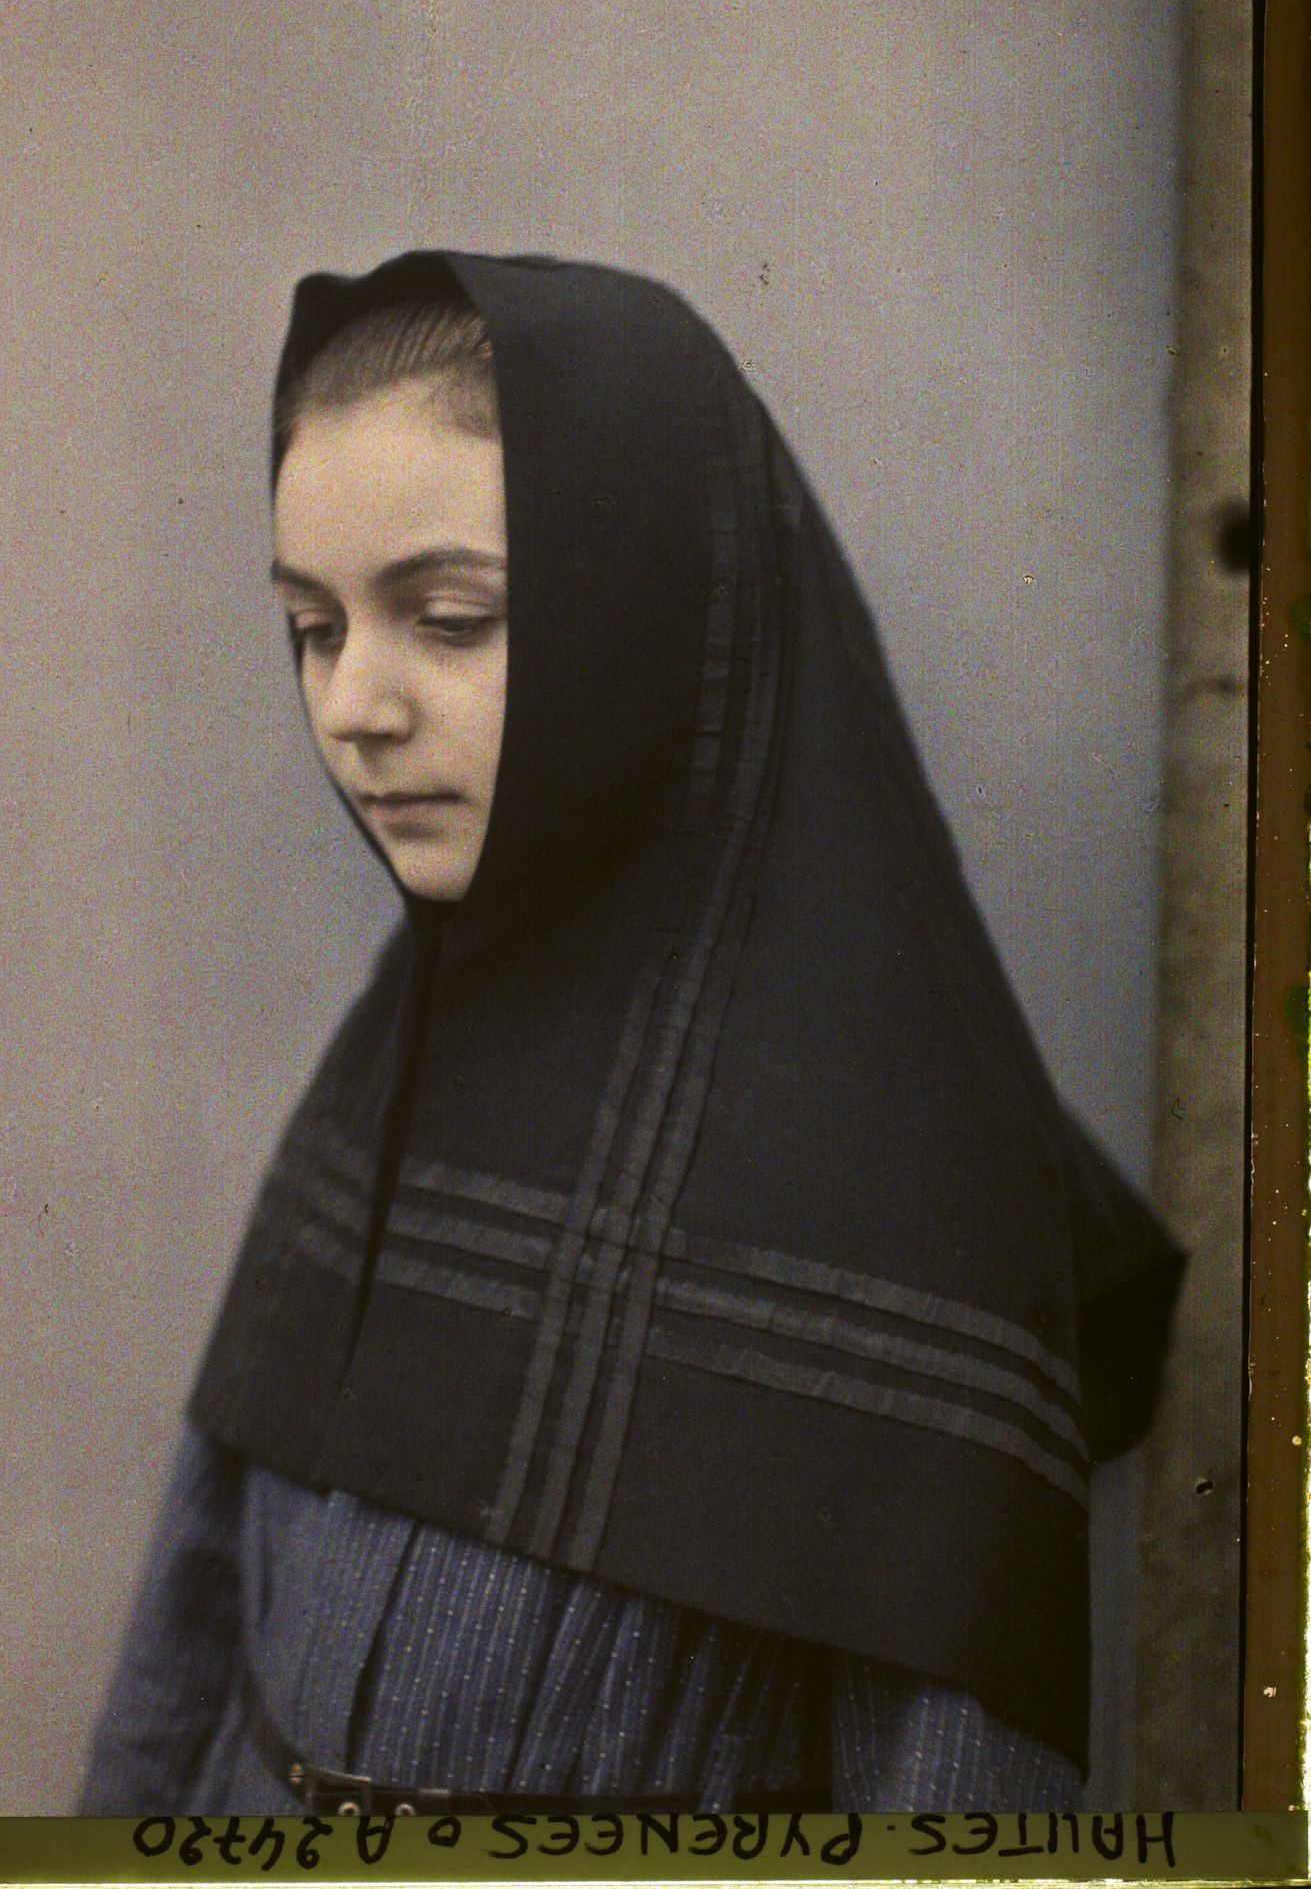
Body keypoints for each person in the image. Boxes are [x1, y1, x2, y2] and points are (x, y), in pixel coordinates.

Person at [81, 252, 1184, 1815]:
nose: (354, 706)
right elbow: (180, 1659)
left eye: (448, 618)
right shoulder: (389, 1069)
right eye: (314, 627)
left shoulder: (911, 1199)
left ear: (657, 623)